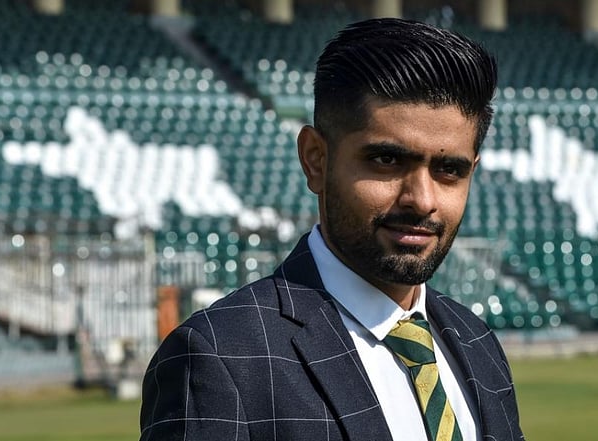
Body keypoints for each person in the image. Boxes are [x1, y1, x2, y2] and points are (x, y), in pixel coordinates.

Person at [139, 18, 524, 441]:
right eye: (387, 161)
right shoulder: (221, 355)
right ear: (316, 159)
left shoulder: (477, 342)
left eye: (449, 170)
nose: (423, 199)